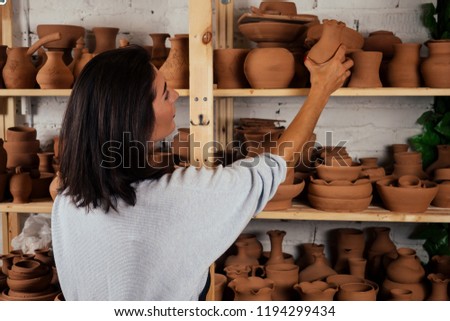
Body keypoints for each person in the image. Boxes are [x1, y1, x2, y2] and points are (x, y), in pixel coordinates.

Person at [51, 44, 353, 300]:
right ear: (134, 114)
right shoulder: (176, 196)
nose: (178, 96)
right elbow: (272, 166)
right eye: (165, 93)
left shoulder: (65, 201)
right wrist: (321, 91)